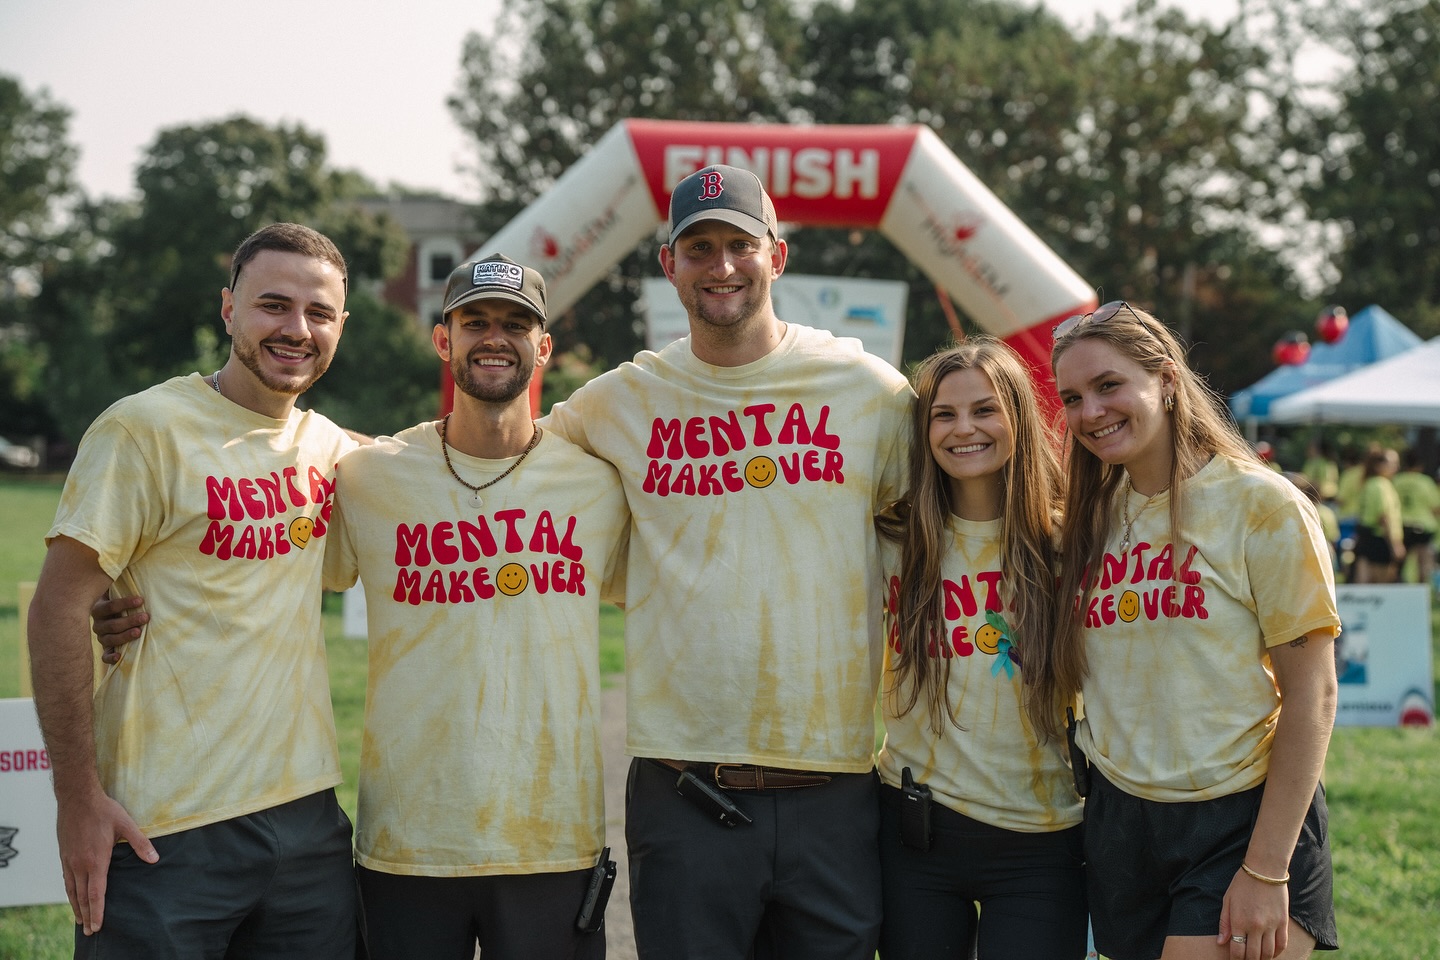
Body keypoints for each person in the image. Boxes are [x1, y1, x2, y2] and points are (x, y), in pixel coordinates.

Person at [543, 163, 913, 959]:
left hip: (835, 784)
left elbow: (952, 524)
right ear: (669, 263)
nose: (721, 267)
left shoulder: (868, 392)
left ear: (776, 256)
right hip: (685, 787)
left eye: (739, 245)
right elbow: (510, 461)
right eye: (698, 247)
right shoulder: (622, 400)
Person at [27, 223, 360, 958]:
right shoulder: (144, 430)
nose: (296, 329)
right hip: (161, 829)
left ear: (340, 325)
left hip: (308, 822)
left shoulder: (334, 451)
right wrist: (77, 798)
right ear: (228, 309)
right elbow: (57, 607)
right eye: (273, 304)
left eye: (319, 313)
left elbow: (445, 466)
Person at [325, 254, 629, 959]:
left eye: (516, 324)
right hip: (407, 841)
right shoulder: (371, 475)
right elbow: (267, 569)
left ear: (543, 347)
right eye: (476, 322)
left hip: (551, 840)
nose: (495, 337)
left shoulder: (597, 485)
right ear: (444, 340)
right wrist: (128, 599)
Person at [1034, 301, 1339, 960]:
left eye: (1110, 386)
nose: (1090, 412)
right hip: (1121, 821)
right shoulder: (1088, 520)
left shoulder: (1262, 506)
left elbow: (1313, 695)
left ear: (1167, 380)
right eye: (1074, 397)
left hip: (1241, 819)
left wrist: (1265, 870)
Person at [873, 339, 1086, 959]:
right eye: (944, 414)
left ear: (1019, 417)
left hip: (1042, 838)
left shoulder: (1069, 539)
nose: (964, 429)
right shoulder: (891, 536)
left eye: (984, 410)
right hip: (914, 830)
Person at [1353, 447, 1404, 583]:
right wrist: (1395, 544)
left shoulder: (1370, 483)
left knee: (1364, 582)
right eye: (1392, 463)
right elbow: (1384, 517)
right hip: (1378, 539)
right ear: (1378, 465)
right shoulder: (1380, 485)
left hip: (1367, 537)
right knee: (1380, 585)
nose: (1397, 467)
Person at [1391, 448, 1439, 588]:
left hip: (1403, 525)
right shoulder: (1425, 482)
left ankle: (1399, 587)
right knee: (1424, 562)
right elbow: (1435, 507)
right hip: (1424, 525)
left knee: (1400, 562)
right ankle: (1422, 591)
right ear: (1420, 465)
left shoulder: (1397, 480)